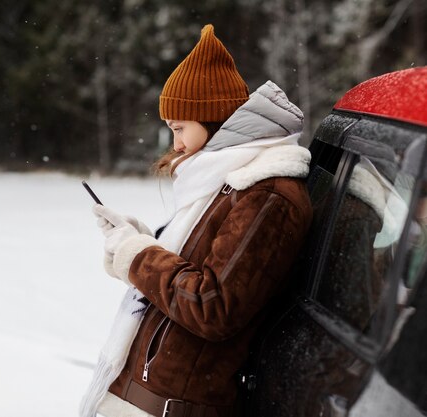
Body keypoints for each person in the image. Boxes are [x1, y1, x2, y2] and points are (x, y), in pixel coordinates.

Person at [80, 24, 313, 417]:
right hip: (150, 398)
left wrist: (137, 256)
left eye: (179, 128)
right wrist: (137, 241)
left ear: (213, 117)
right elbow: (195, 270)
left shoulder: (265, 192)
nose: (176, 145)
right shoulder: (227, 183)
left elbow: (211, 304)